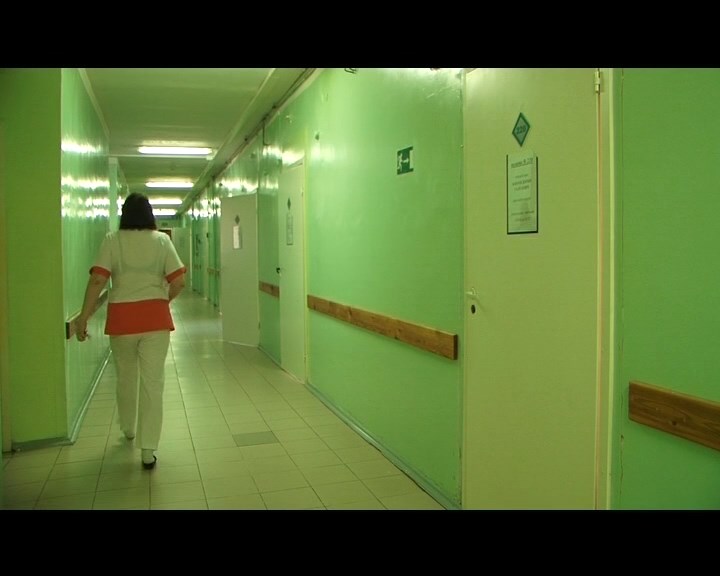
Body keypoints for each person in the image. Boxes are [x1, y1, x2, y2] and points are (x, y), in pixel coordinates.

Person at [74, 192, 186, 470]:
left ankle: (128, 428)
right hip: (156, 321)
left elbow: (98, 279)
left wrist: (84, 317)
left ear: (124, 214)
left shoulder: (112, 240)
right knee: (153, 383)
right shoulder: (162, 241)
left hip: (122, 321)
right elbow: (179, 281)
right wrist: (163, 300)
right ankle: (148, 450)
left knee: (125, 376)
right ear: (150, 215)